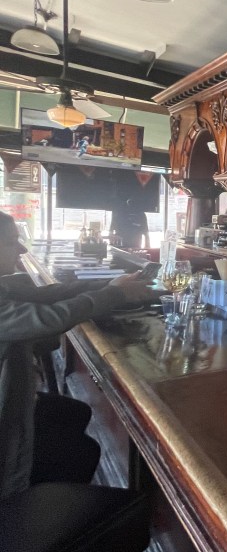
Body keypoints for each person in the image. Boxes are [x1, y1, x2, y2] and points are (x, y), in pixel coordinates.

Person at [0, 211, 157, 498]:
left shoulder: (5, 285)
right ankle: (27, 516)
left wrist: (110, 286)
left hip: (16, 398)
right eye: (12, 242)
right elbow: (50, 317)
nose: (22, 249)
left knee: (77, 412)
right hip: (6, 436)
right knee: (82, 452)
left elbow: (49, 294)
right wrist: (115, 295)